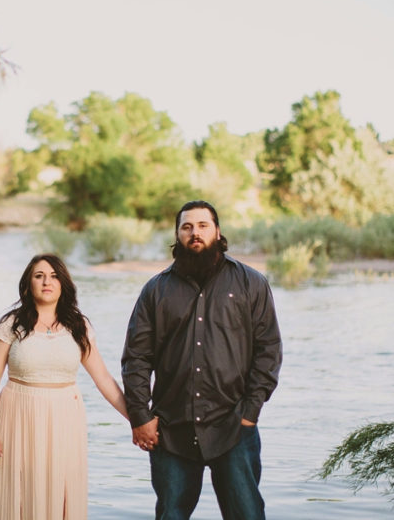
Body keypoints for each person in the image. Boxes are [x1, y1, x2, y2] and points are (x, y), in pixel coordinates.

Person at [121, 200, 283, 520]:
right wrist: (140, 416)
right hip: (171, 431)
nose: (195, 233)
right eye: (187, 227)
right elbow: (137, 358)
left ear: (217, 231)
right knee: (171, 515)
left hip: (234, 426)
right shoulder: (155, 290)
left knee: (248, 515)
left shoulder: (252, 283)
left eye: (203, 225)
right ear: (178, 235)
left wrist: (250, 412)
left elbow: (268, 350)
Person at [0, 253, 129, 520]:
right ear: (28, 285)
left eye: (53, 276)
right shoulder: (11, 324)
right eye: (39, 276)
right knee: (18, 496)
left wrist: (137, 419)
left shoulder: (78, 326)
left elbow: (104, 379)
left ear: (63, 284)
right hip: (17, 420)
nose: (46, 281)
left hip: (65, 420)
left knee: (63, 493)